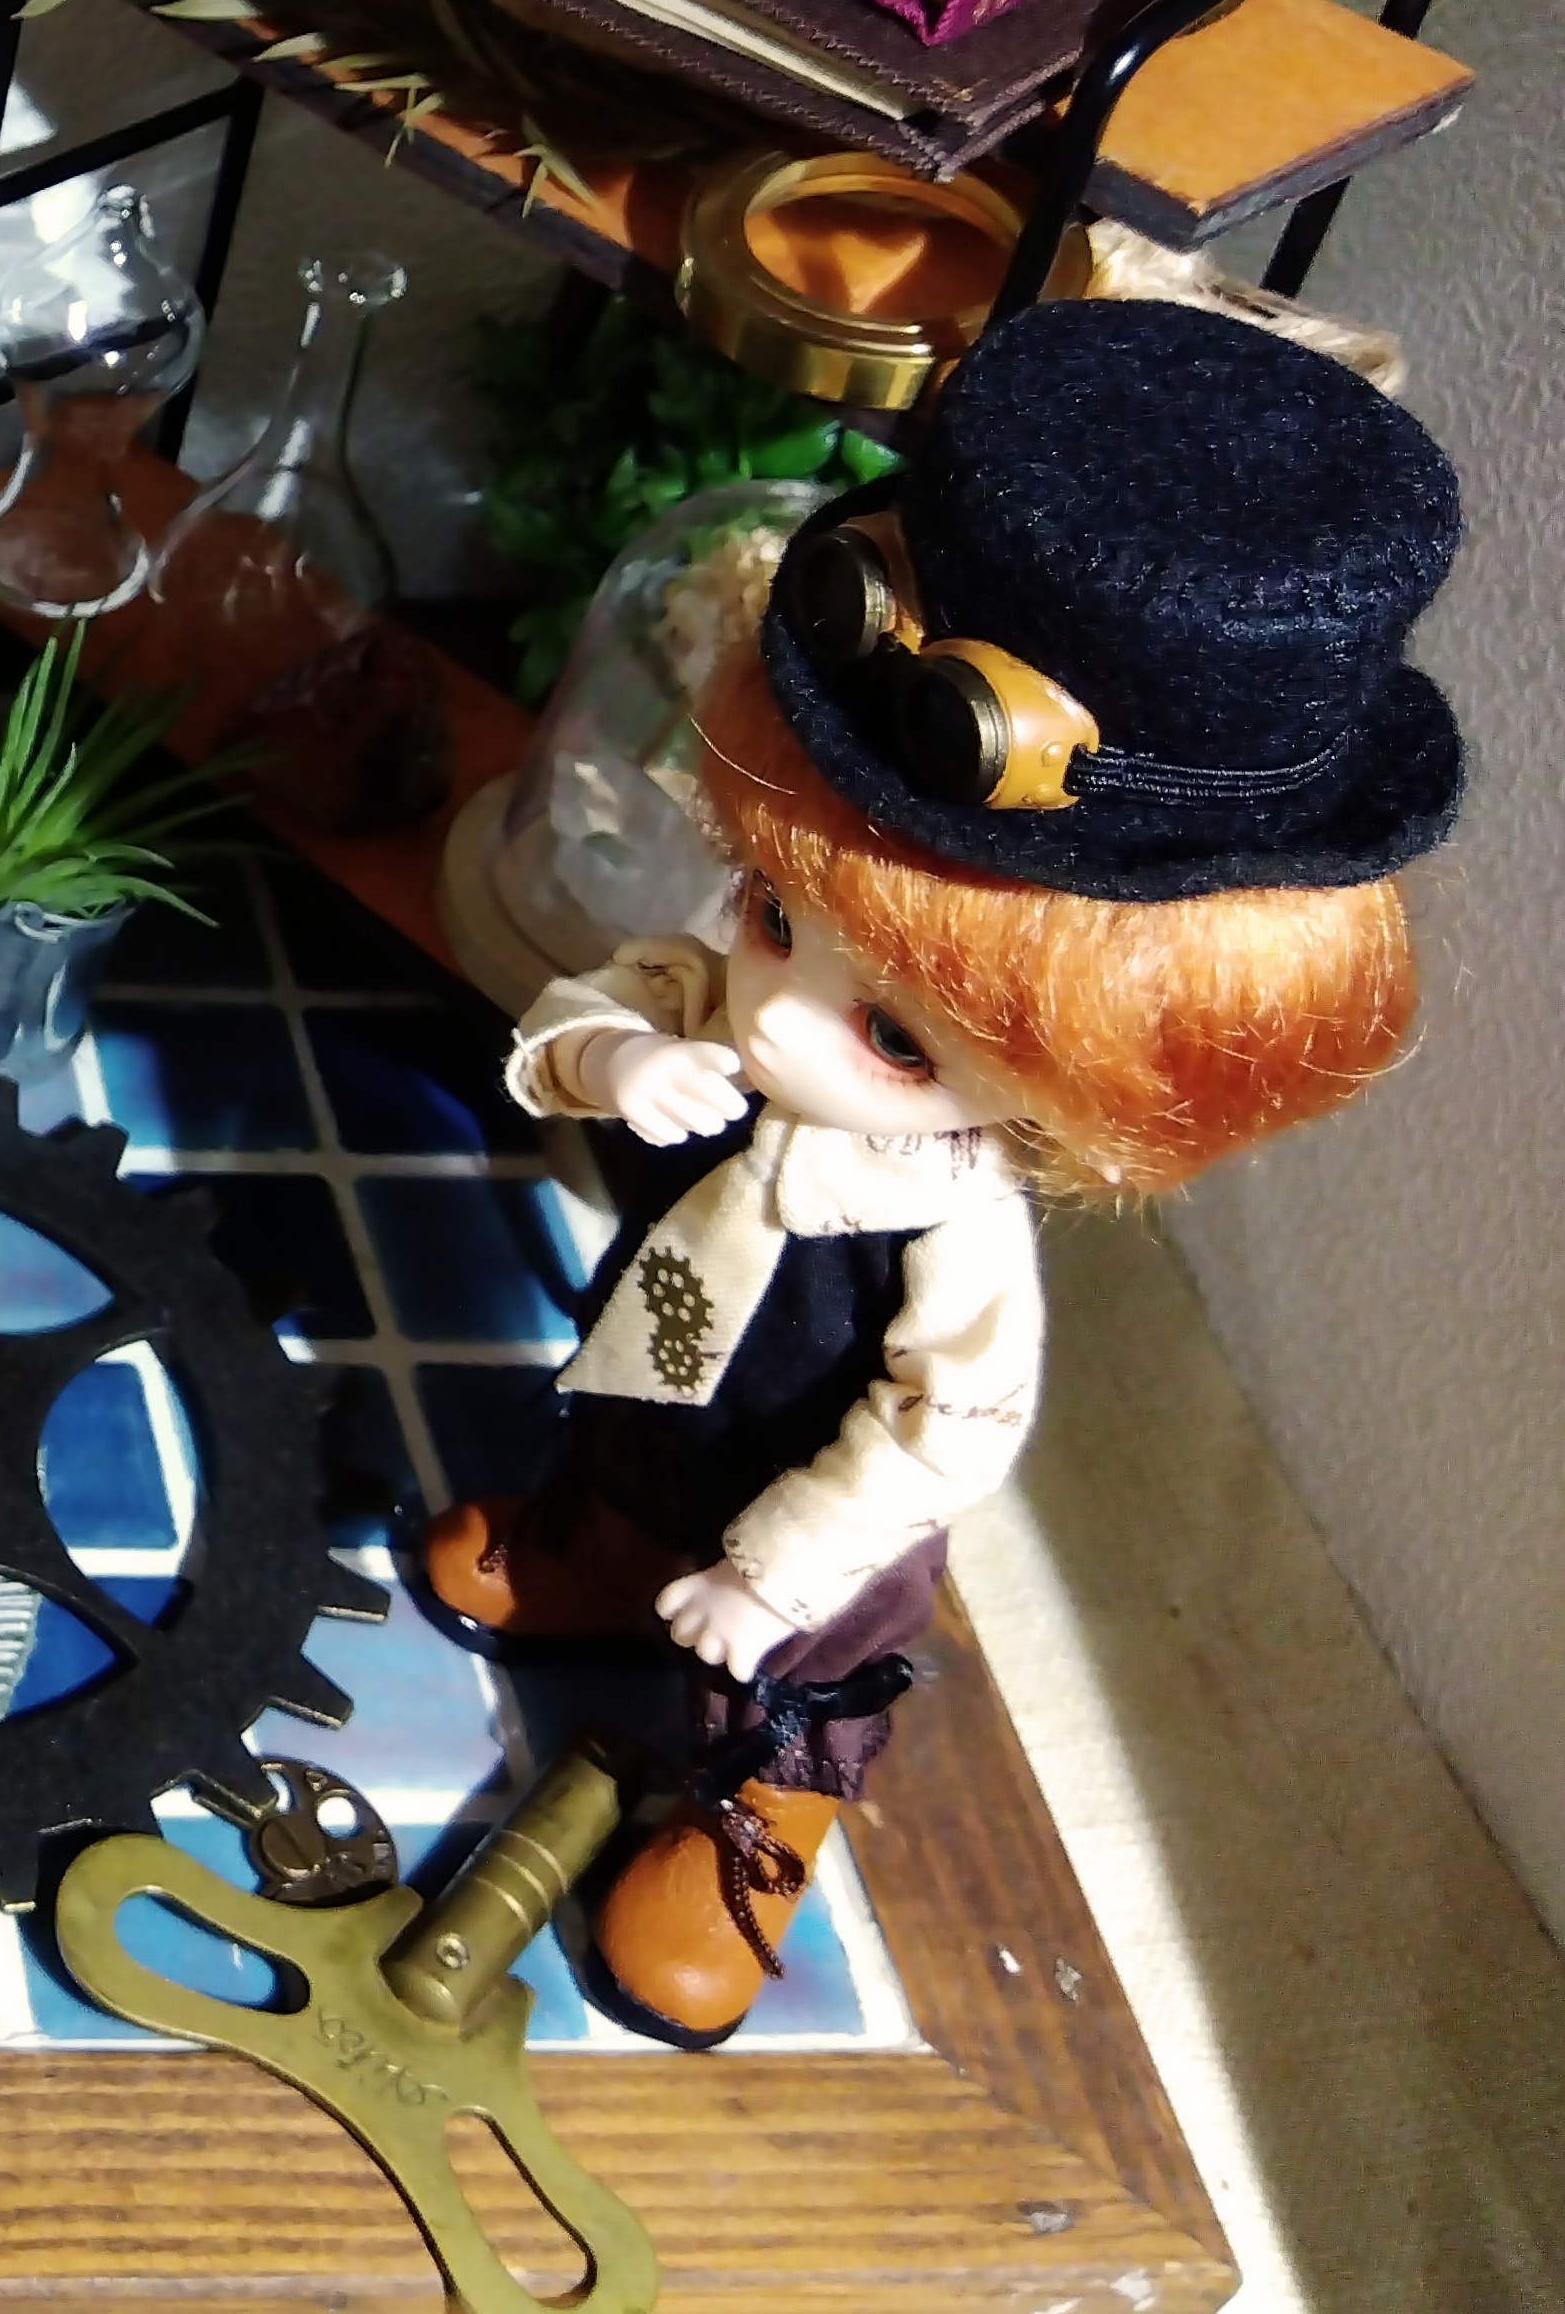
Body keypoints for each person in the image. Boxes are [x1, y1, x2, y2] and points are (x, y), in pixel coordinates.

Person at [414, 298, 1459, 2043]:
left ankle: (761, 1815)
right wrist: (619, 1056)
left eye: (895, 1037)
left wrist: (773, 1571)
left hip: (812, 1503)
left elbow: (942, 1428)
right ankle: (596, 1548)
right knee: (625, 1441)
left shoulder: (950, 1225)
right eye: (769, 912)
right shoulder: (722, 1011)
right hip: (662, 1371)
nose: (773, 1015)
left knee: (795, 1671)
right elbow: (586, 1011)